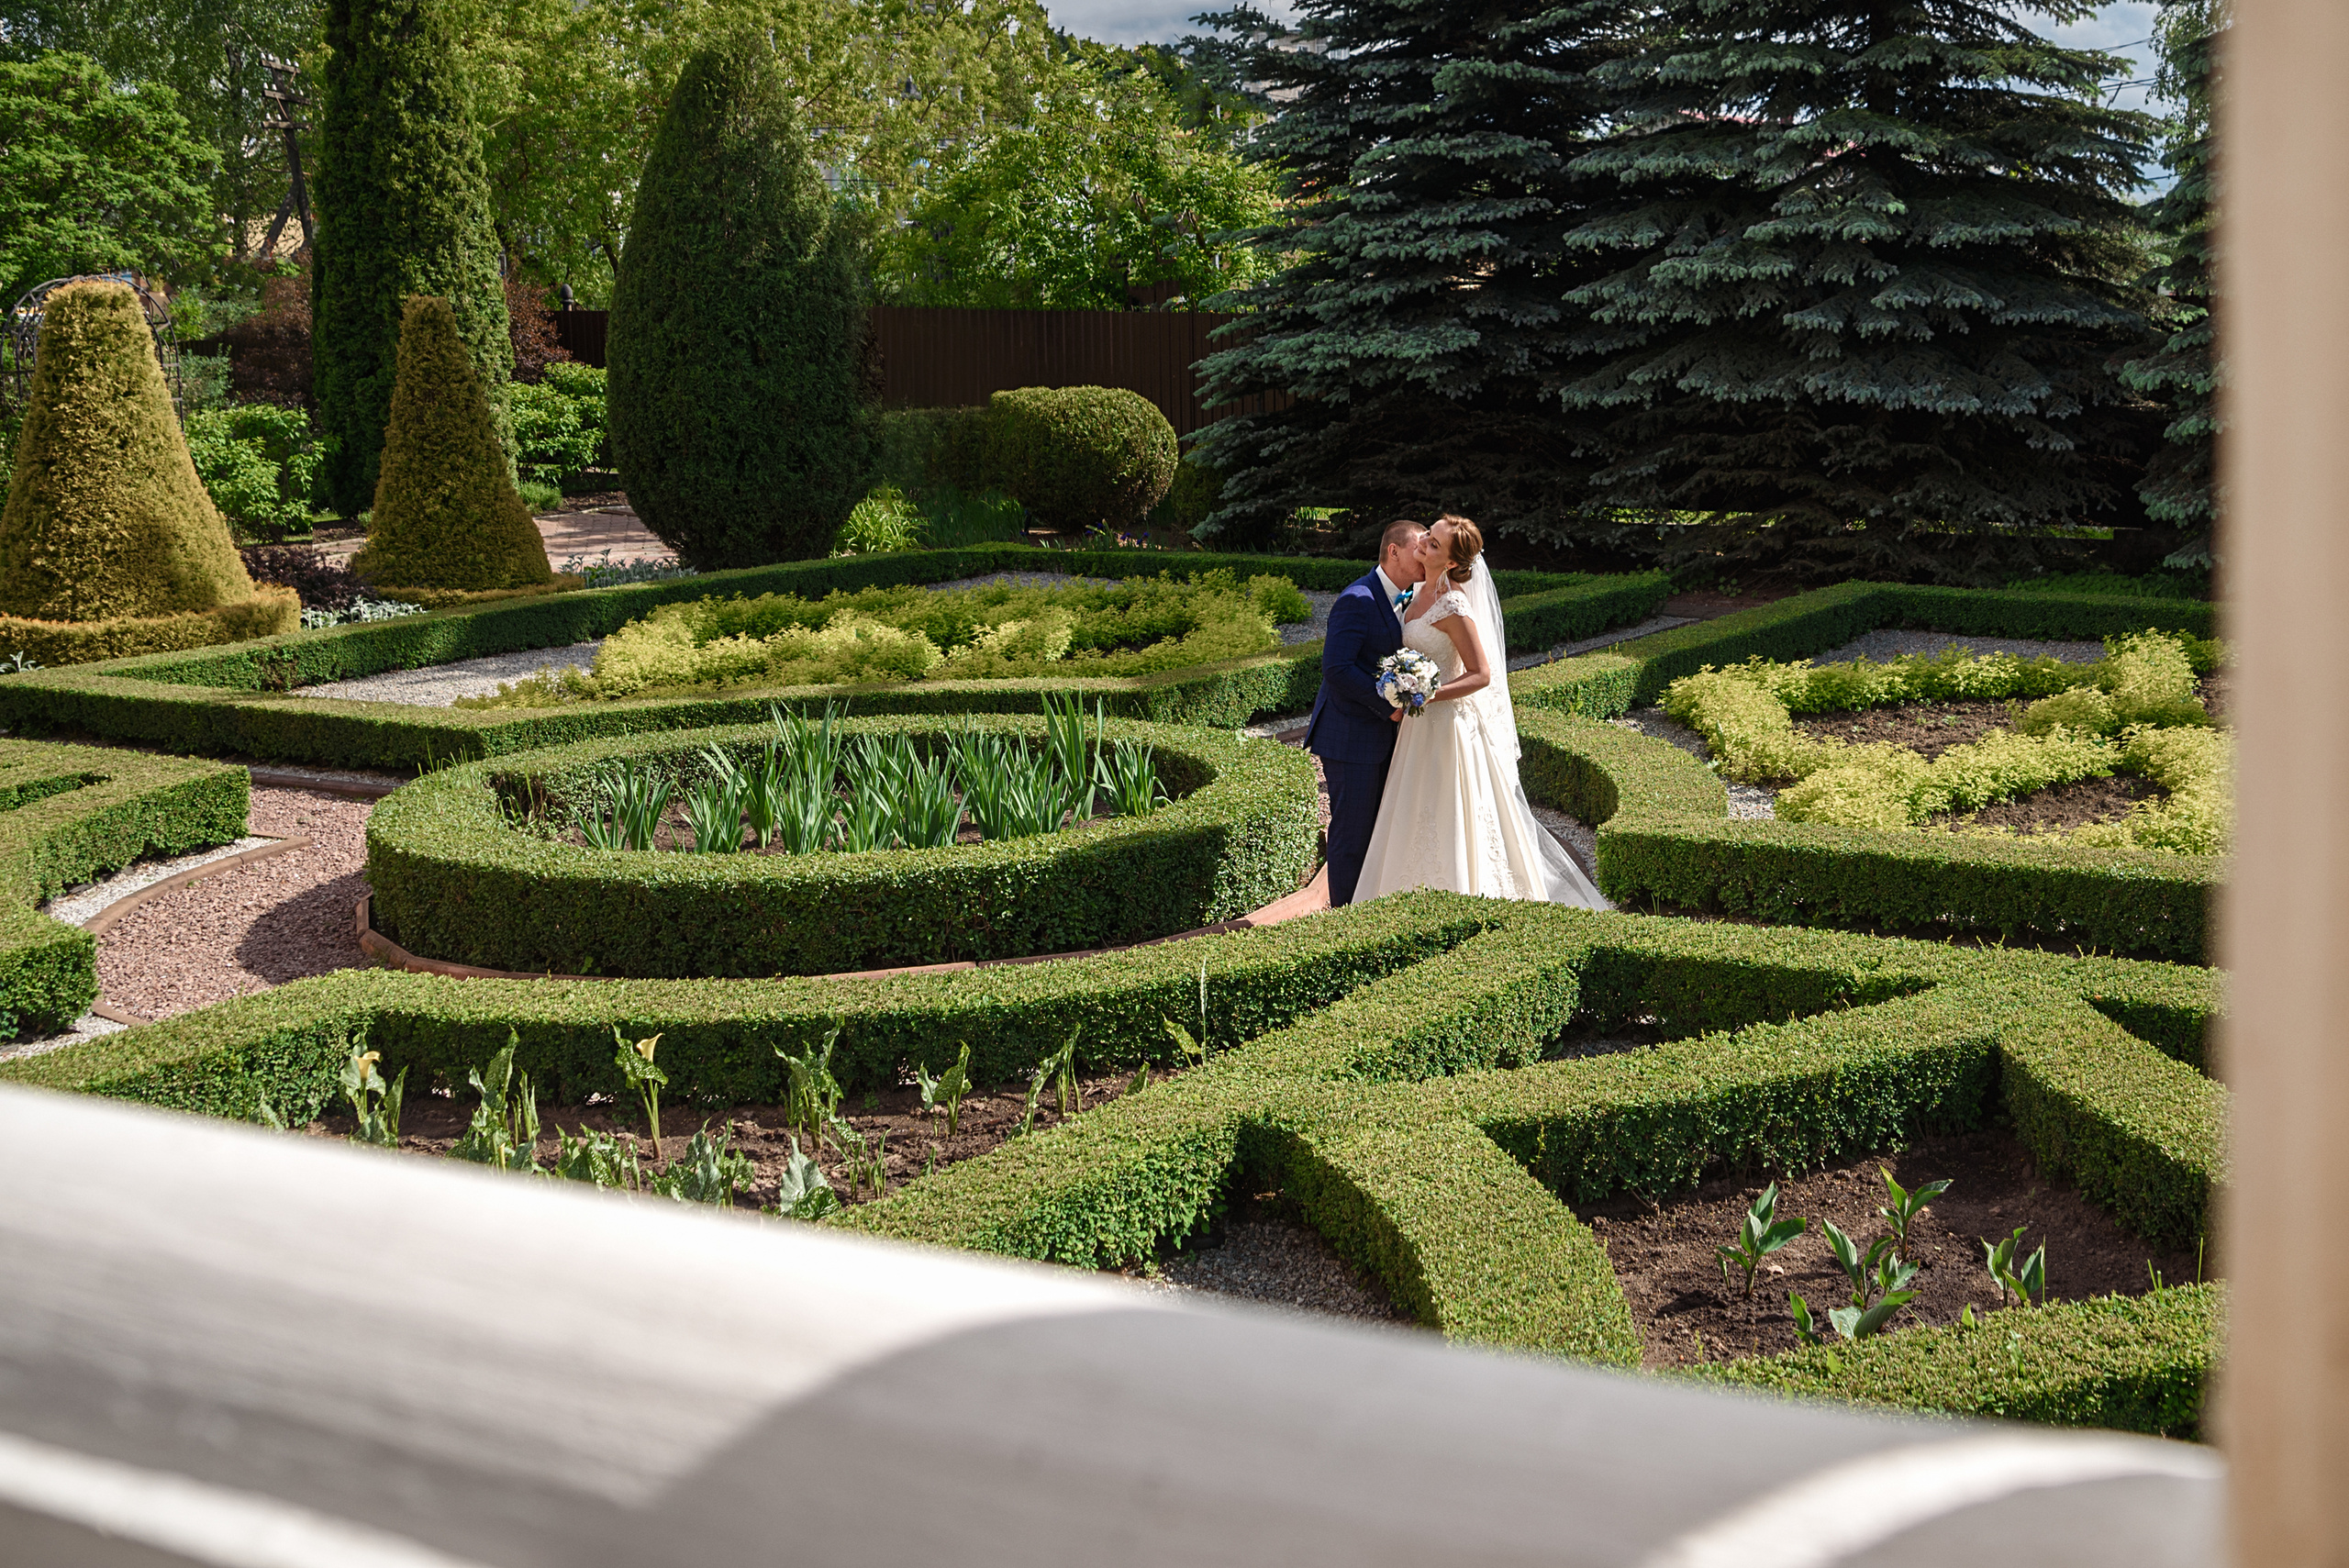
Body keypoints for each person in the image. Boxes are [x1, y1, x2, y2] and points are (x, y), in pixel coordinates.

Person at [1352, 516, 1609, 907]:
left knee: (1451, 813)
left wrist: (1426, 694)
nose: (1423, 545)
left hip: (1448, 727)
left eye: (1434, 545)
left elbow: (1481, 674)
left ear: (1452, 563)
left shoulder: (1453, 603)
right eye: (1427, 538)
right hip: (1417, 731)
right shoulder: (1417, 591)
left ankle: (1463, 897)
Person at [1307, 518, 1427, 906]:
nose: (1424, 555)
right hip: (1350, 738)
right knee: (1351, 836)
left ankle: (1368, 909)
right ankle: (1344, 921)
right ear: (1393, 551)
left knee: (1377, 832)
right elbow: (1336, 668)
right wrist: (1387, 708)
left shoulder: (1407, 596)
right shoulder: (1357, 599)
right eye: (1418, 549)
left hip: (1378, 738)